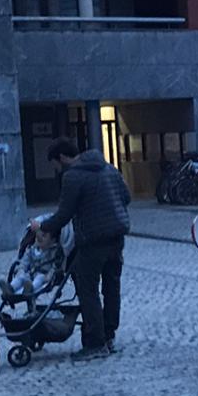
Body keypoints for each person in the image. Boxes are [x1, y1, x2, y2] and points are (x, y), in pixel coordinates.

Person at [39, 139, 131, 361]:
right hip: (116, 237)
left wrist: (42, 227)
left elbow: (64, 214)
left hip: (92, 241)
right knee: (111, 288)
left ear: (62, 157)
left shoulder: (73, 176)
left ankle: (95, 342)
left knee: (87, 290)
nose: (56, 169)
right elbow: (126, 197)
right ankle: (109, 335)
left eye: (55, 164)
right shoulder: (109, 168)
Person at [1, 226, 66, 302]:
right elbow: (25, 261)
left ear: (53, 240)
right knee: (21, 277)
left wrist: (49, 276)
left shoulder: (53, 252)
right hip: (30, 274)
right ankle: (10, 288)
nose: (39, 238)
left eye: (44, 236)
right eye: (37, 236)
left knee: (39, 278)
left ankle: (28, 290)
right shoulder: (32, 250)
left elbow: (55, 266)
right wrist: (21, 269)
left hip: (44, 275)